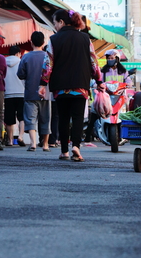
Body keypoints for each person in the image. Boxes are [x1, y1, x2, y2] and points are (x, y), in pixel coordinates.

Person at [39, 9, 103, 162]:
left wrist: (43, 83)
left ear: (61, 22)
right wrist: (99, 81)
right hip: (80, 84)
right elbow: (94, 62)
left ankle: (64, 152)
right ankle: (76, 146)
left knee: (63, 118)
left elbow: (48, 63)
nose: (55, 26)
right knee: (78, 116)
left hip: (60, 86)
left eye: (55, 23)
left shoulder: (54, 39)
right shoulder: (85, 38)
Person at [84, 48, 132, 147]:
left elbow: (129, 82)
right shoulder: (103, 71)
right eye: (109, 58)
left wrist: (128, 85)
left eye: (112, 58)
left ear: (117, 59)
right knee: (94, 112)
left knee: (128, 113)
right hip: (106, 98)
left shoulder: (123, 71)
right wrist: (95, 84)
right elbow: (97, 81)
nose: (110, 60)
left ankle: (129, 134)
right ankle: (87, 137)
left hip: (120, 97)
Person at [17, 31, 51, 152]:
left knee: (30, 119)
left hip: (30, 92)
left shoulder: (26, 56)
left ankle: (33, 143)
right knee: (46, 119)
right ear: (43, 42)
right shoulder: (48, 56)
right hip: (46, 93)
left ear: (31, 42)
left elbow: (20, 74)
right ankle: (46, 144)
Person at [4, 45, 26, 147]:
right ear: (18, 54)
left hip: (8, 93)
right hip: (21, 93)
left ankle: (10, 140)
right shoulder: (21, 62)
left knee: (9, 118)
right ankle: (20, 136)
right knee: (21, 117)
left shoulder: (3, 61)